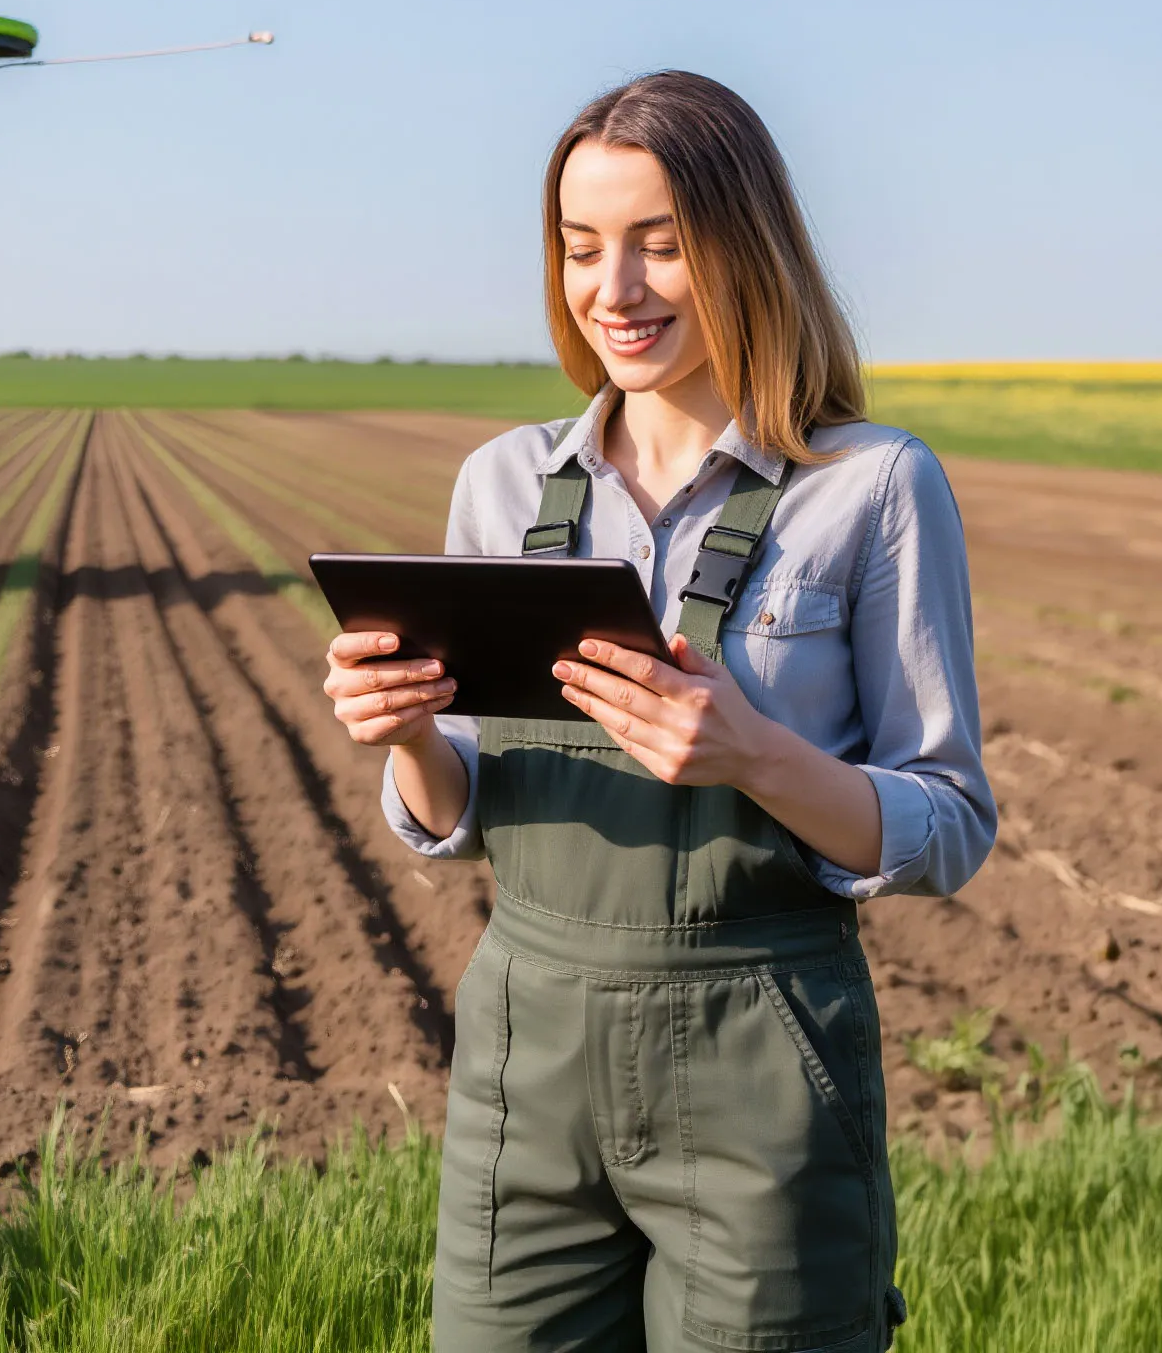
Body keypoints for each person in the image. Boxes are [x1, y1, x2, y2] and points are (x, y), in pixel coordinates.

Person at [323, 71, 994, 1351]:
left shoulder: (872, 488)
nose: (613, 290)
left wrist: (754, 751)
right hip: (529, 1045)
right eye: (582, 249)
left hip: (765, 1054)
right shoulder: (506, 483)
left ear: (745, 244)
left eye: (660, 244)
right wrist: (405, 731)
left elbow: (949, 821)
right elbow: (457, 810)